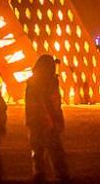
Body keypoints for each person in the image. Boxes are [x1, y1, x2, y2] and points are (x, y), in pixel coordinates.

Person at [25, 55, 70, 183]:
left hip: (36, 121)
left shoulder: (33, 82)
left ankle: (40, 174)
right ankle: (60, 174)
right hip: (45, 121)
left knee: (38, 150)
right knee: (53, 149)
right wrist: (55, 120)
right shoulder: (48, 82)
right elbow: (52, 103)